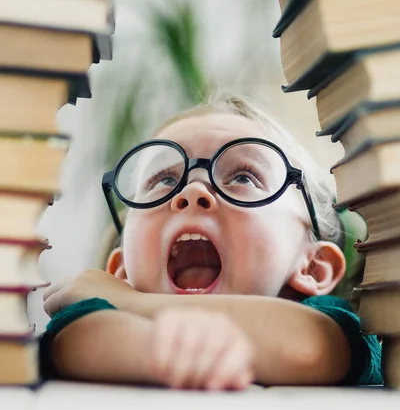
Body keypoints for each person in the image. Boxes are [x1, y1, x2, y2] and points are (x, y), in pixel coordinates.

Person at [40, 93, 382, 389]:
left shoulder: (332, 324)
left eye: (244, 176)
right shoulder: (95, 313)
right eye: (163, 180)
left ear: (313, 267)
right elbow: (74, 343)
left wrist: (128, 302)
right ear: (121, 269)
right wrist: (154, 343)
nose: (193, 191)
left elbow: (310, 346)